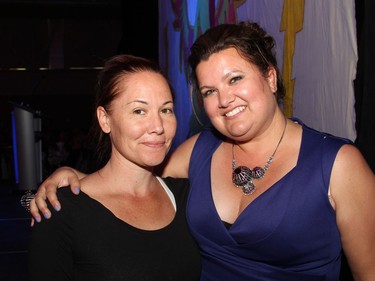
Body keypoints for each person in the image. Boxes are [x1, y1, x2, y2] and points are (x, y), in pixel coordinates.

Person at [29, 22, 375, 280]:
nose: (224, 100)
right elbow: (128, 191)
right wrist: (72, 179)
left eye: (235, 79)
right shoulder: (199, 150)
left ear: (270, 78)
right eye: (209, 91)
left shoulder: (338, 165)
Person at [27, 54, 201, 281]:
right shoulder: (61, 210)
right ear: (105, 119)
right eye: (139, 111)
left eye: (166, 110)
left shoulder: (185, 197)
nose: (158, 126)